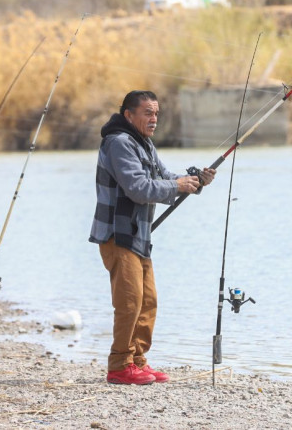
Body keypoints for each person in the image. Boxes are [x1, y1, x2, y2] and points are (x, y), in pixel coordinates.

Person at [89, 90, 216, 385]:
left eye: (156, 113)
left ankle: (137, 361)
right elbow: (138, 188)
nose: (154, 119)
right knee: (129, 303)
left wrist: (196, 182)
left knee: (148, 302)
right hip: (118, 235)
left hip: (138, 235)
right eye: (148, 113)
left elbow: (164, 177)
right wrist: (178, 185)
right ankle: (119, 365)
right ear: (128, 115)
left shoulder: (142, 143)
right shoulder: (119, 142)